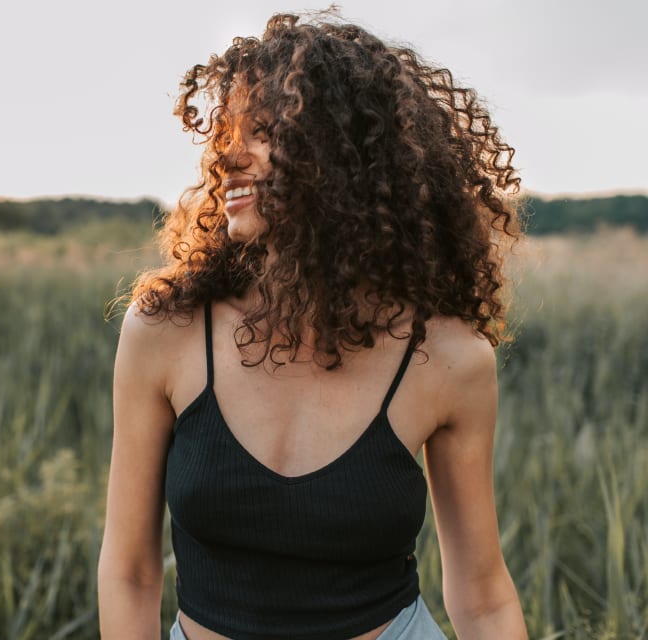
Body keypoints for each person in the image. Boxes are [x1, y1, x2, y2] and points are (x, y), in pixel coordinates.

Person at [98, 10, 528, 640]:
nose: (230, 157)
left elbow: (483, 595)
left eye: (265, 130)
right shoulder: (166, 328)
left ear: (344, 156)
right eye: (227, 133)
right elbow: (131, 571)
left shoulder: (447, 359)